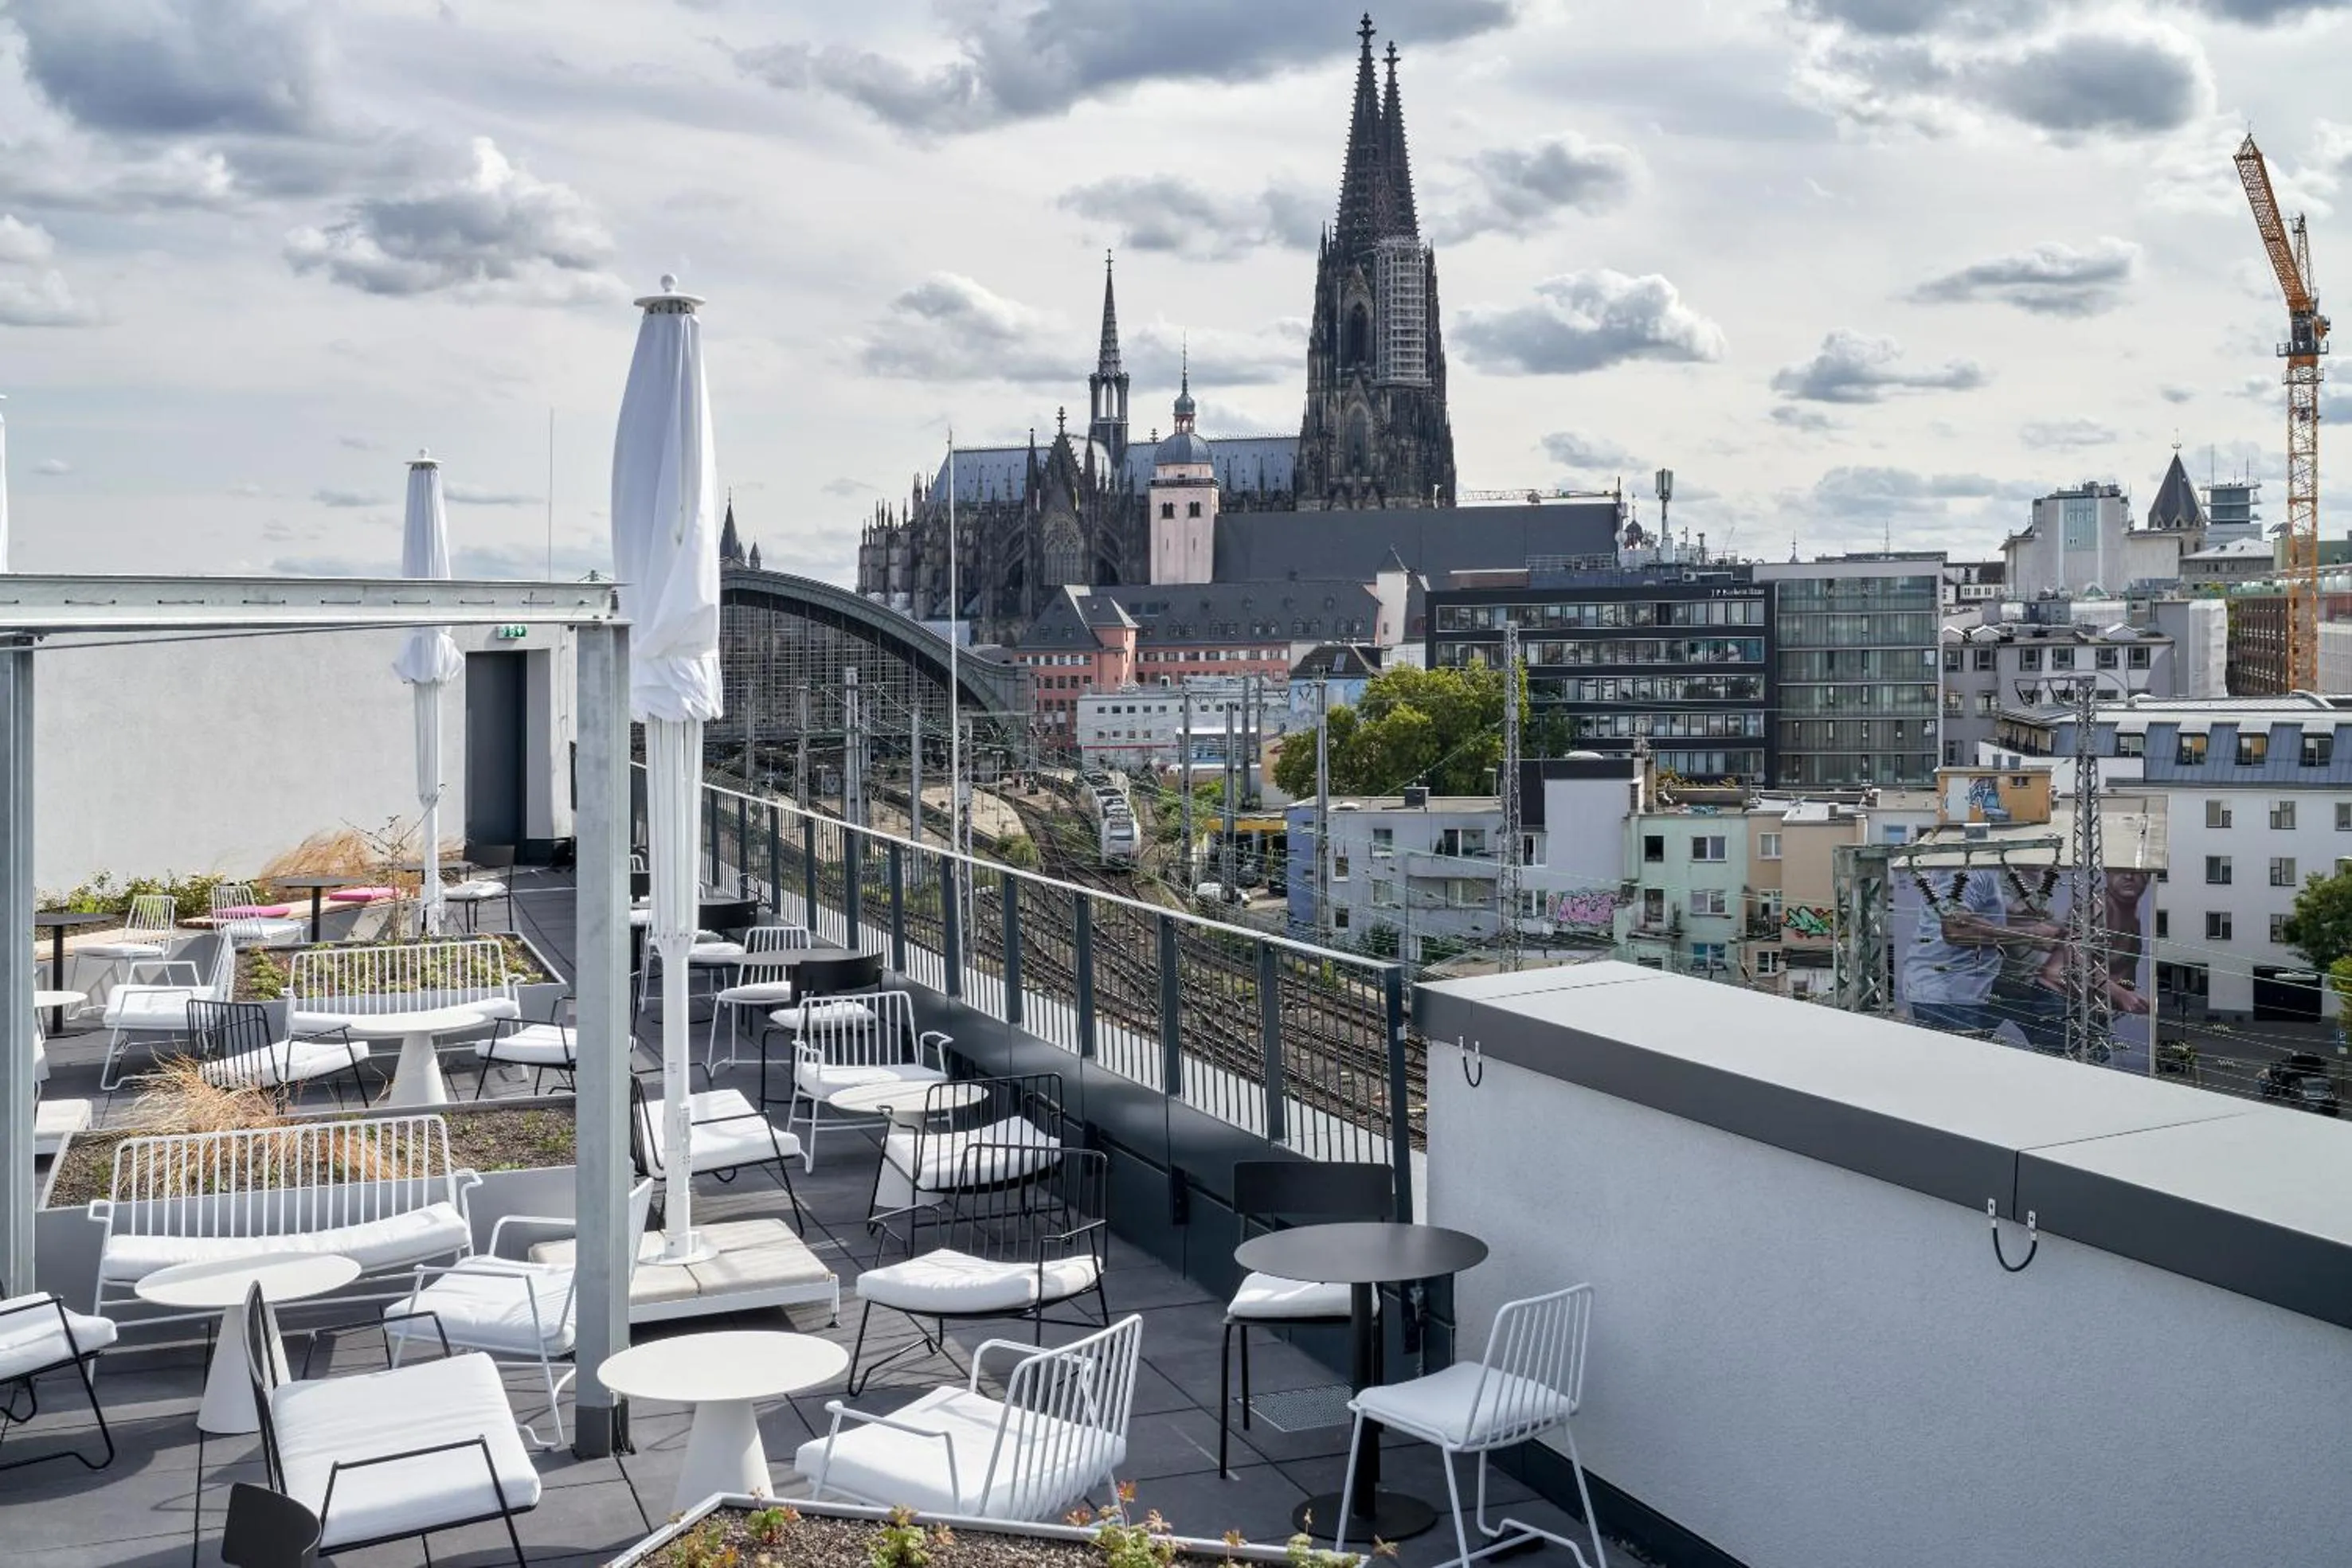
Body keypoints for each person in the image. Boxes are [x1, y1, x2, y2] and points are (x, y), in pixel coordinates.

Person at [1903, 867, 2011, 1034]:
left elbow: (1969, 914)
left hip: (1954, 991)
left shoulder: (1975, 867)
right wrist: (2033, 935)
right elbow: (1955, 928)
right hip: (1951, 993)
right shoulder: (1972, 868)